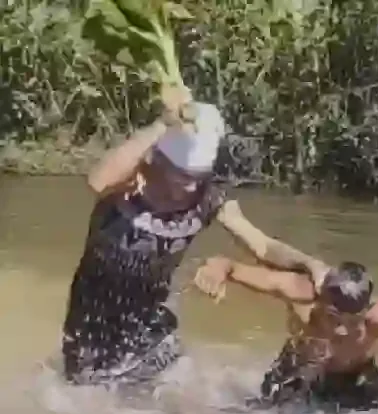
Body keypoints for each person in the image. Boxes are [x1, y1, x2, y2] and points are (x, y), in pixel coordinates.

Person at [60, 94, 329, 391]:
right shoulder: (129, 185)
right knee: (87, 399)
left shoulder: (208, 198)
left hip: (153, 323)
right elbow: (97, 181)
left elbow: (263, 246)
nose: (190, 186)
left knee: (170, 402)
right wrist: (162, 124)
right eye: (182, 176)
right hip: (92, 321)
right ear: (157, 160)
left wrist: (310, 262)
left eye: (199, 176)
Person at [194, 255, 378, 414]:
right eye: (332, 317)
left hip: (355, 377)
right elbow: (229, 265)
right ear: (319, 301)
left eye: (353, 321)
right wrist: (215, 270)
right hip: (297, 369)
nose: (341, 330)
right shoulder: (298, 291)